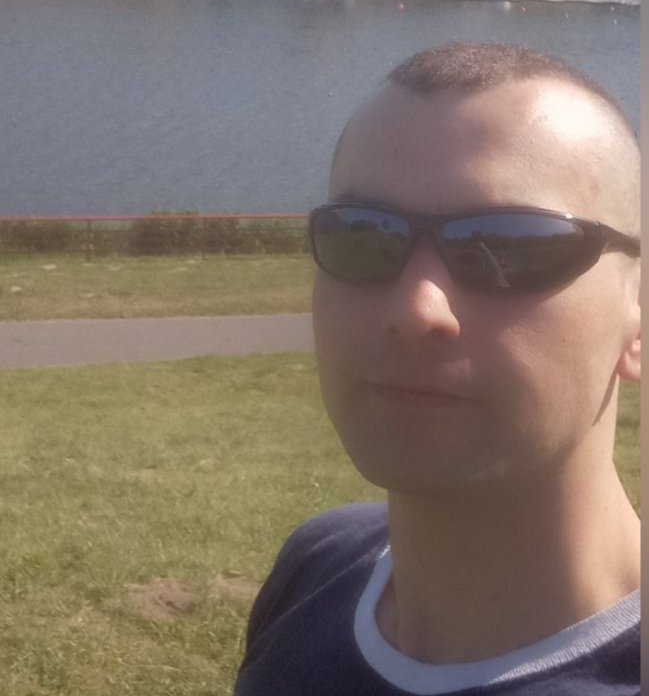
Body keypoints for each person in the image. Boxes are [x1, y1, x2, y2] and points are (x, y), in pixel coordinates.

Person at [234, 42, 641, 695]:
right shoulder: (317, 564)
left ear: (636, 317)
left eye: (508, 245)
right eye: (361, 235)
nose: (416, 308)